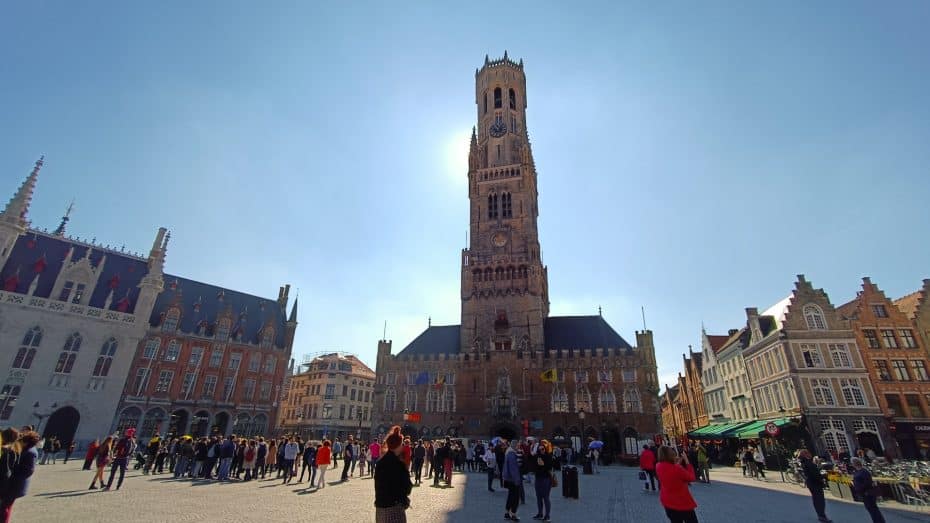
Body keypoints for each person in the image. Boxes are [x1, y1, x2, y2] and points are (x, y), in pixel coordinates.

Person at [374, 426, 413, 523]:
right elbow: (407, 487)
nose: (403, 446)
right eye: (402, 443)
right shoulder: (399, 465)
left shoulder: (380, 462)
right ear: (398, 445)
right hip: (394, 508)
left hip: (380, 506)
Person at [1, 429, 40, 523]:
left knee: (5, 507)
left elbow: (28, 471)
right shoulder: (25, 449)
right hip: (12, 484)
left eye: (22, 440)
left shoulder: (31, 453)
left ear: (27, 442)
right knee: (5, 506)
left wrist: (12, 472)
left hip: (16, 485)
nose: (19, 442)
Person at [655, 445, 698, 523]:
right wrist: (687, 460)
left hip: (668, 501)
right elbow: (692, 478)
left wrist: (677, 464)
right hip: (682, 502)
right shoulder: (677, 469)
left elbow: (671, 471)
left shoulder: (658, 466)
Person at [798, 449, 832, 523]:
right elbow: (814, 474)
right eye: (808, 453)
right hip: (815, 483)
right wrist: (823, 475)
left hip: (810, 483)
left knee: (816, 499)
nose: (810, 454)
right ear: (806, 454)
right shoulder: (808, 462)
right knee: (820, 500)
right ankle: (822, 516)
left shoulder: (803, 462)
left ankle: (820, 514)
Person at [851, 457, 885, 523]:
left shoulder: (864, 472)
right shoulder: (858, 471)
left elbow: (868, 482)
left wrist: (859, 488)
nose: (851, 464)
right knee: (871, 510)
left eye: (852, 463)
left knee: (873, 510)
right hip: (864, 493)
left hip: (868, 493)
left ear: (855, 464)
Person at [531, 439, 554, 522]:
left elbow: (549, 468)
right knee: (538, 497)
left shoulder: (548, 457)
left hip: (546, 479)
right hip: (538, 478)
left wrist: (542, 465)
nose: (541, 451)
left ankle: (547, 515)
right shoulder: (537, 457)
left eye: (542, 449)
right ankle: (540, 513)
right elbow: (533, 467)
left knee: (546, 497)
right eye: (539, 449)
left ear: (545, 449)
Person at [502, 439, 522, 521]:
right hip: (513, 480)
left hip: (508, 479)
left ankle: (507, 513)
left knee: (510, 496)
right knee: (516, 497)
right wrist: (517, 480)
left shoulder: (508, 452)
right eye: (517, 445)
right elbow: (513, 469)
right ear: (515, 446)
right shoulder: (512, 454)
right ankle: (513, 514)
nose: (518, 447)